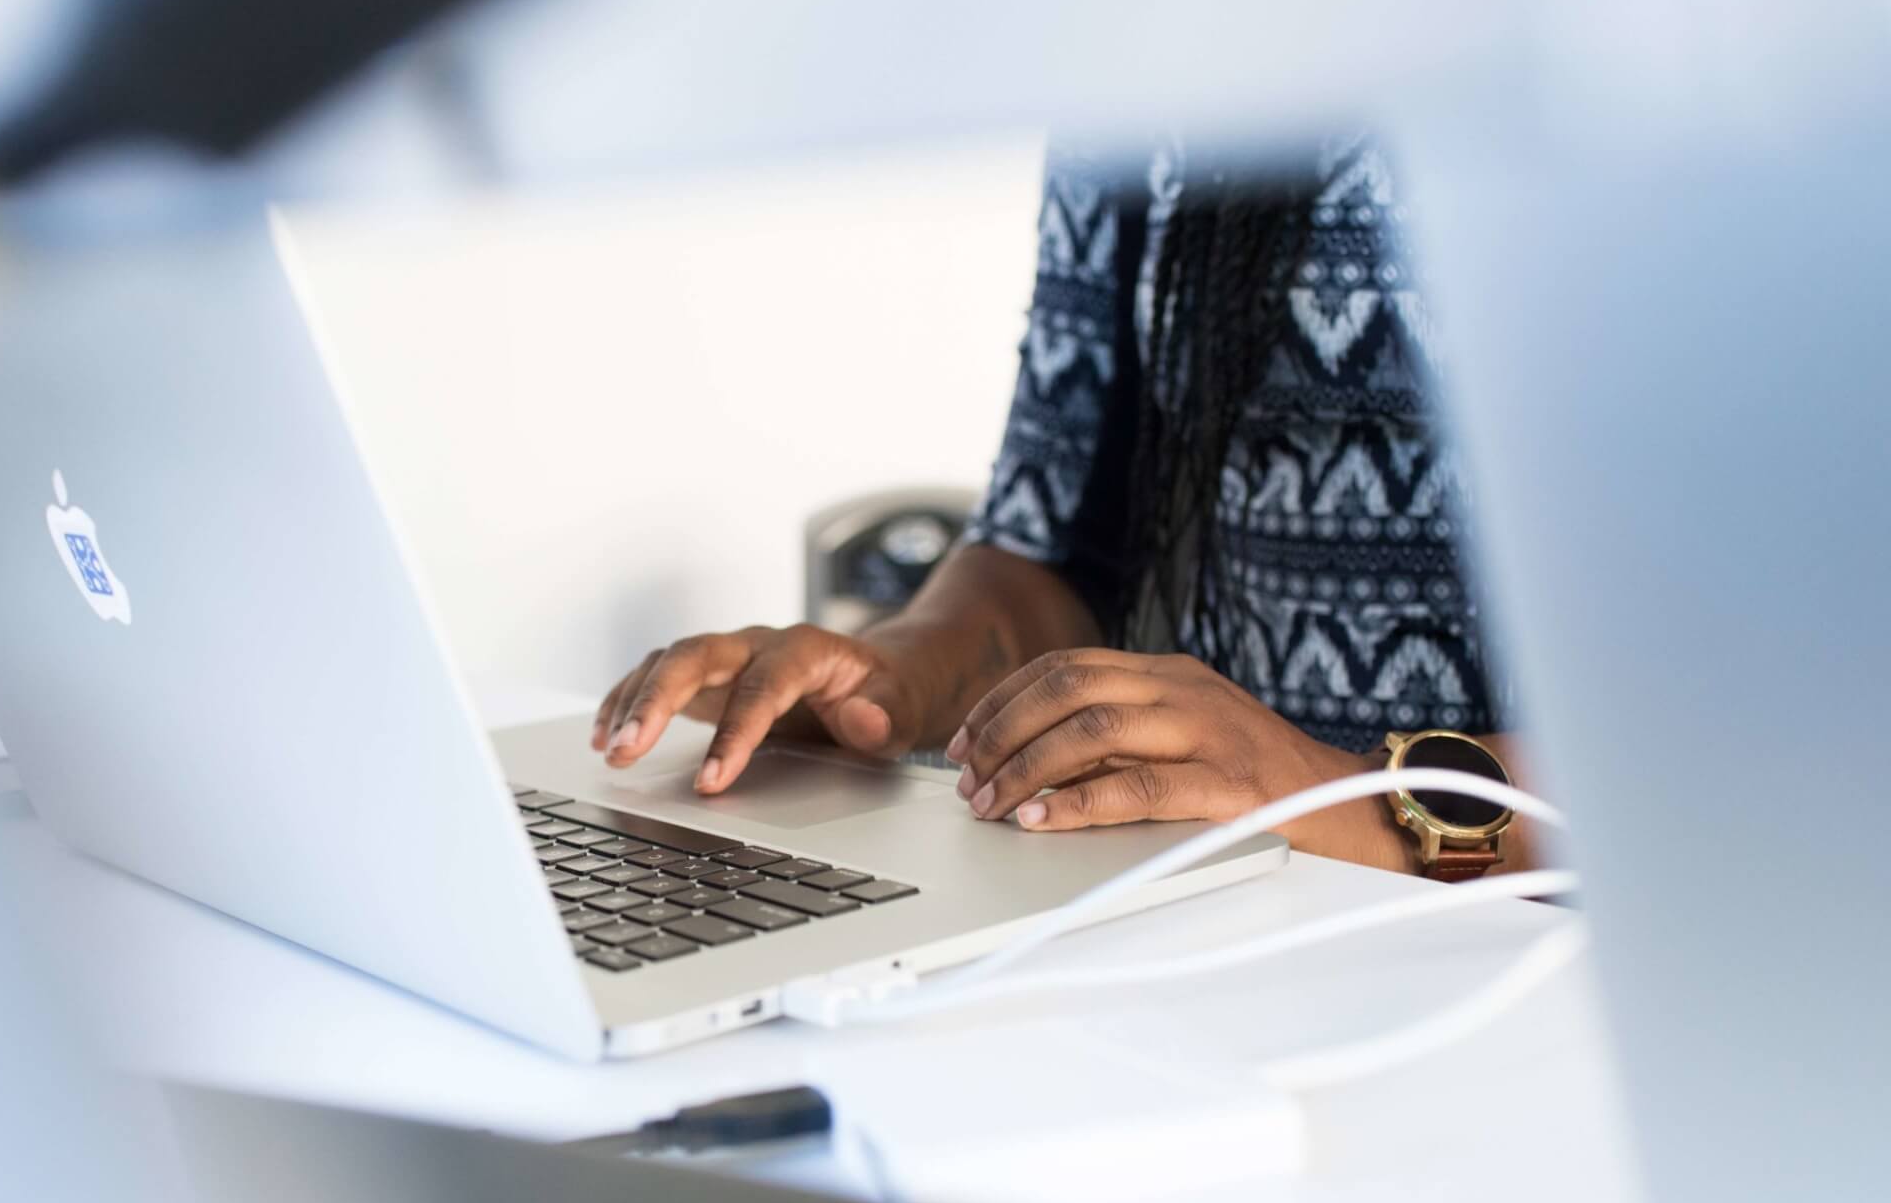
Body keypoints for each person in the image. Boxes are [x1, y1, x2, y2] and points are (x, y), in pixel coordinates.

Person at [592, 135, 1533, 876]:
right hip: (1229, 890)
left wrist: (1342, 795)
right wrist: (894, 677)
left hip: (1583, 947)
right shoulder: (1151, 62)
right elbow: (1057, 543)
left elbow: (1685, 740)